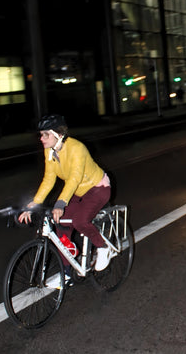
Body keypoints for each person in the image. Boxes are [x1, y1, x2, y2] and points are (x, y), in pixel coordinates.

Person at [18, 114, 112, 276]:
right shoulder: (49, 151)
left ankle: (103, 247)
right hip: (78, 191)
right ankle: (68, 270)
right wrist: (33, 204)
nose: (41, 139)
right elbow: (48, 180)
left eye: (45, 134)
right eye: (40, 135)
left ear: (58, 135)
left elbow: (74, 178)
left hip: (98, 188)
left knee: (80, 221)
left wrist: (60, 204)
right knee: (60, 223)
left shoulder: (77, 148)